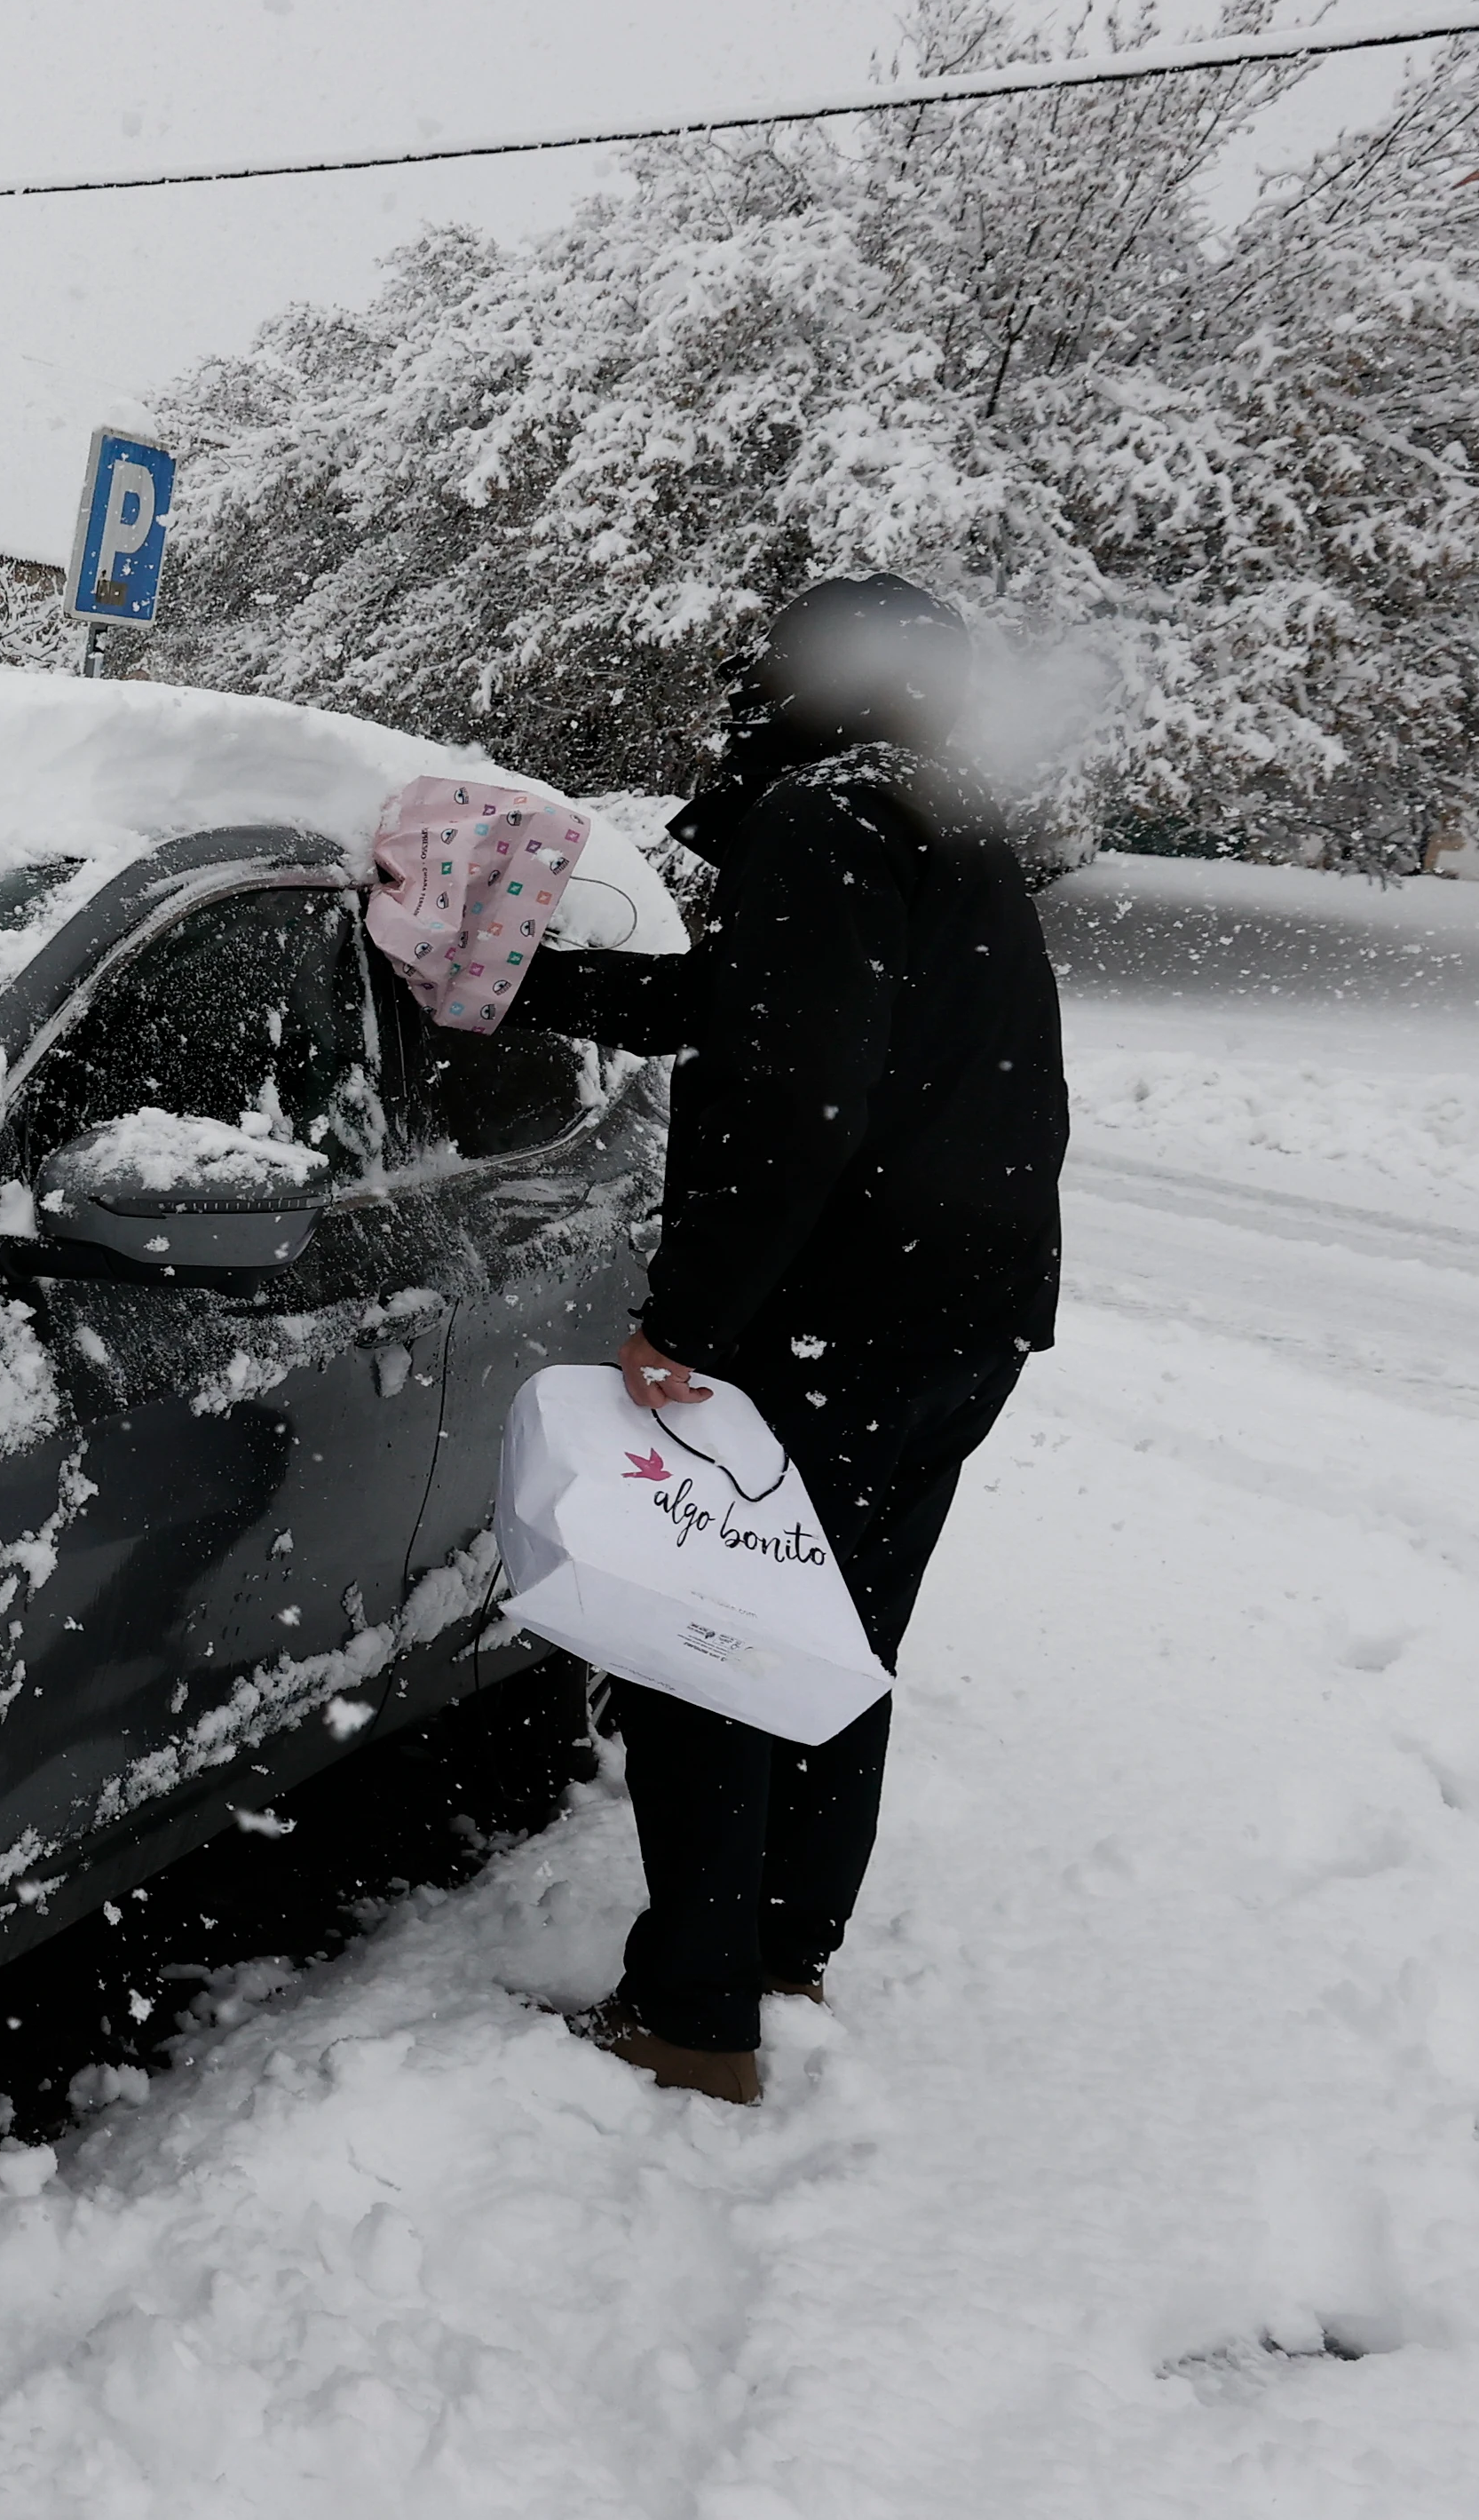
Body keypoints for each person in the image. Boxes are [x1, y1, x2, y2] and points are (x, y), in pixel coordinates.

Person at [496, 573, 1067, 2107]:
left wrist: (689, 1319)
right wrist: (534, 985)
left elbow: (796, 1092)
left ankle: (694, 2010)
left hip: (846, 1313)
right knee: (837, 1637)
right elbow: (757, 1008)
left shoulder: (822, 816)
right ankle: (785, 1941)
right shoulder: (938, 813)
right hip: (963, 1312)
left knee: (714, 1638)